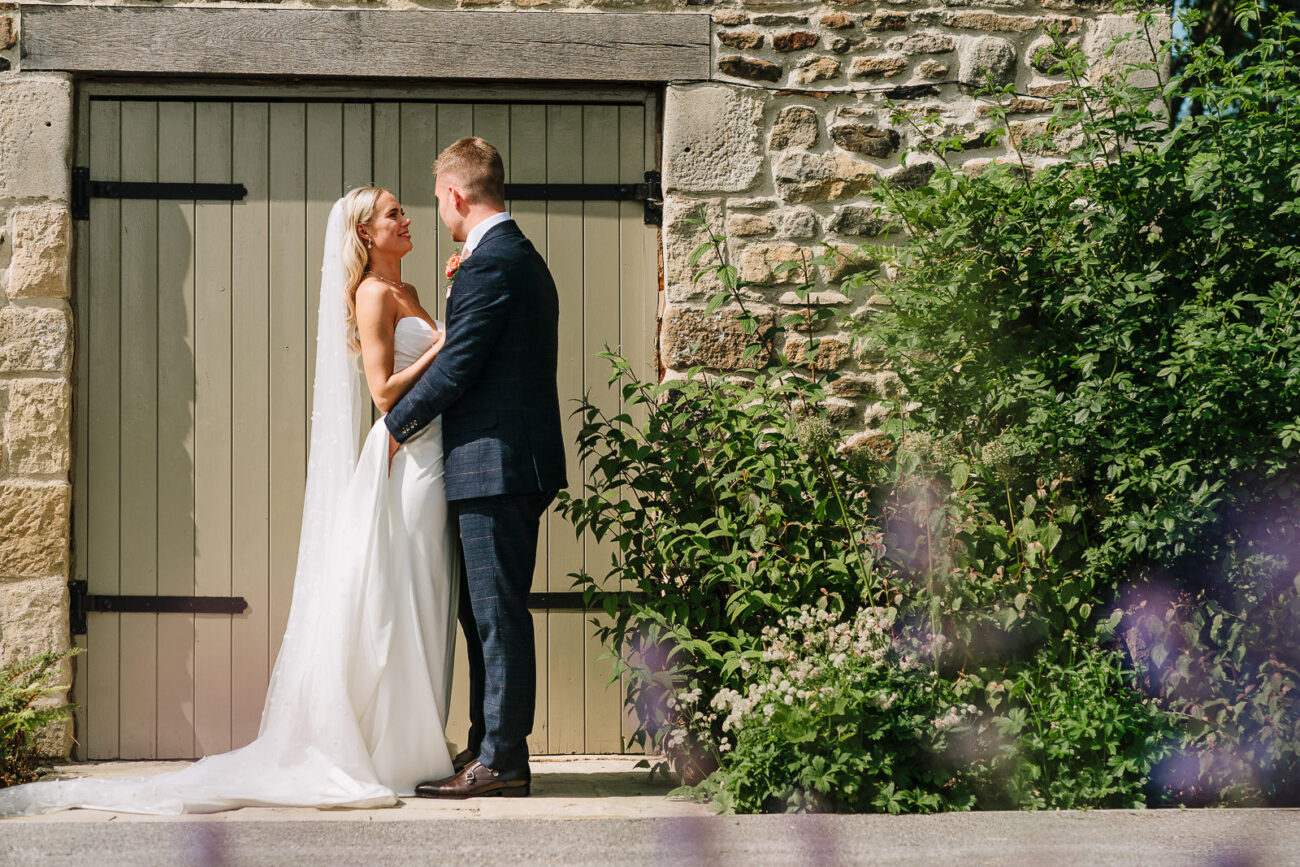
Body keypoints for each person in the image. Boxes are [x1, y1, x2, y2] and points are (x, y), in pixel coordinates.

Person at [0, 187, 459, 815]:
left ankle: (417, 740)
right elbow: (383, 394)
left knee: (422, 594)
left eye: (403, 211)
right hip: (405, 456)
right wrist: (443, 346)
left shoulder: (411, 290)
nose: (406, 220)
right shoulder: (374, 294)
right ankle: (395, 750)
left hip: (433, 452)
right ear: (364, 233)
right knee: (398, 598)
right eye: (393, 214)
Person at [385, 136, 565, 798]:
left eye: (437, 198)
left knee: (496, 614)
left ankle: (503, 760)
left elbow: (458, 366)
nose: (437, 210)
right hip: (499, 460)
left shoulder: (494, 263)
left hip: (499, 463)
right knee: (481, 612)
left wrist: (393, 429)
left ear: (456, 195)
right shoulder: (504, 256)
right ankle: (488, 744)